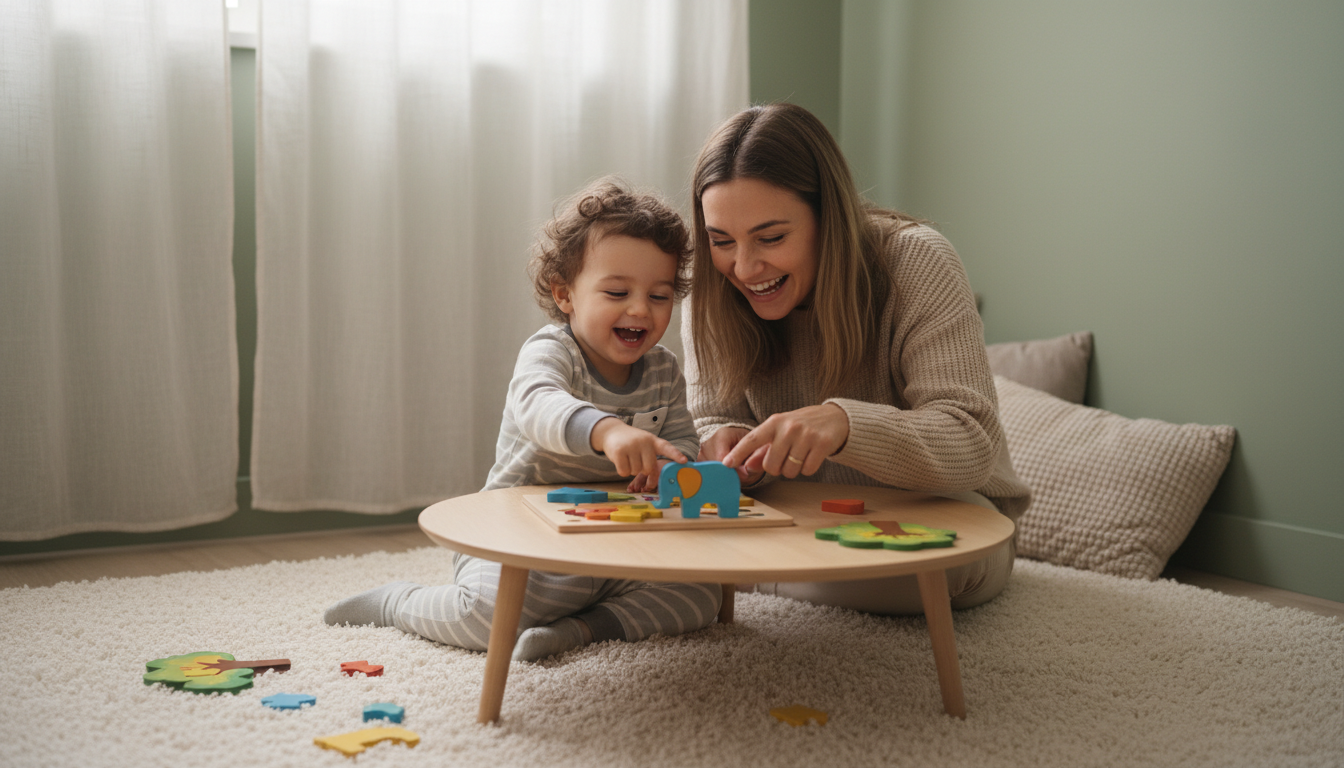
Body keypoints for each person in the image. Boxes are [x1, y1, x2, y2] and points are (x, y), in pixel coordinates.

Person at [324, 179, 721, 660]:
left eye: (659, 297)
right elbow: (538, 404)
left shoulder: (663, 369)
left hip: (613, 541)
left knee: (701, 596)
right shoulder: (552, 351)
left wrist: (674, 465)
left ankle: (580, 630)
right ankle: (398, 603)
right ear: (565, 294)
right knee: (486, 617)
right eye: (617, 292)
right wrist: (606, 430)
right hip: (519, 539)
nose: (640, 309)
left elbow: (680, 439)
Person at [683, 103, 1031, 614]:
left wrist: (845, 425)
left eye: (772, 238)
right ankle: (767, 573)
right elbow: (713, 414)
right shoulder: (711, 288)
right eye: (721, 240)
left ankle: (747, 578)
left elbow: (970, 440)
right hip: (799, 515)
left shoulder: (918, 260)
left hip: (946, 509)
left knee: (938, 567)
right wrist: (725, 444)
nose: (744, 266)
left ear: (830, 217)